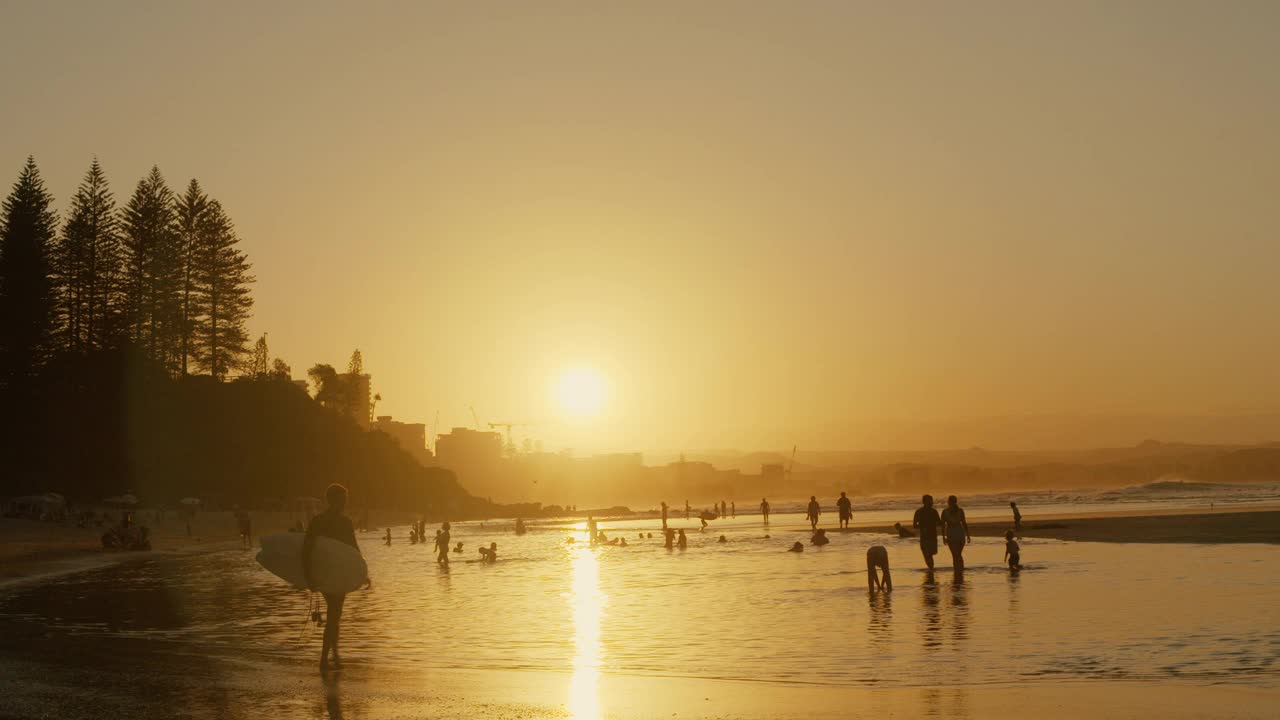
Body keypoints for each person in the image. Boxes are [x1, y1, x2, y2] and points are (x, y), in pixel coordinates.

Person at [303, 483, 366, 674]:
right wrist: (362, 572)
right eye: (343, 499)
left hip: (326, 573)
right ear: (335, 500)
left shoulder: (317, 521)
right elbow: (354, 550)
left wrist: (310, 576)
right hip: (336, 575)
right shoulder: (343, 522)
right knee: (333, 617)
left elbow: (307, 550)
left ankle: (334, 655)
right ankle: (325, 658)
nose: (346, 503)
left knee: (334, 616)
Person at [940, 495, 971, 575]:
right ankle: (960, 571)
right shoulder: (960, 511)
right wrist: (968, 535)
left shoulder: (945, 512)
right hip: (960, 532)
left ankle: (957, 571)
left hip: (951, 533)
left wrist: (943, 537)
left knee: (955, 554)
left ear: (948, 502)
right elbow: (964, 523)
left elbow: (943, 525)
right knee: (958, 554)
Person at [913, 495, 941, 570]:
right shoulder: (919, 512)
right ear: (924, 502)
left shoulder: (933, 511)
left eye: (931, 501)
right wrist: (924, 526)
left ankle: (931, 570)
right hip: (925, 536)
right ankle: (931, 569)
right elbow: (915, 525)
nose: (931, 502)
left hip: (931, 536)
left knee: (929, 554)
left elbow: (939, 523)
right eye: (930, 501)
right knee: (927, 554)